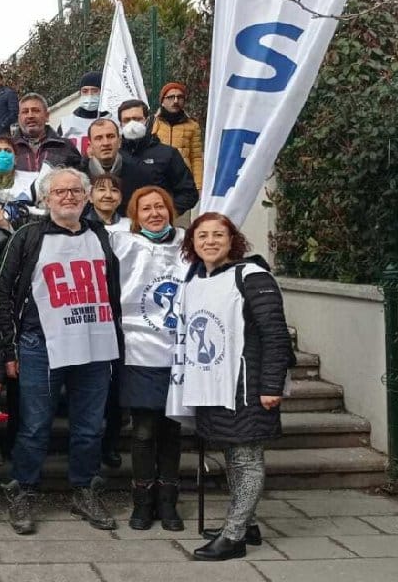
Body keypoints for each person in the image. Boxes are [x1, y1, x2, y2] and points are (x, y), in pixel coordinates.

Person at [0, 168, 123, 535]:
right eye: (60, 192)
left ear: (87, 197)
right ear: (46, 199)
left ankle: (83, 488)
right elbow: (0, 293)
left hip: (95, 345)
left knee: (90, 427)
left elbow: (113, 291)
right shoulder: (27, 237)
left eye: (75, 191)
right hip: (39, 344)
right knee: (34, 425)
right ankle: (24, 490)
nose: (68, 197)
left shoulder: (101, 235)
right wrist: (7, 350)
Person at [180, 212, 292, 561]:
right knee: (233, 454)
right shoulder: (198, 278)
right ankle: (248, 524)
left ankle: (233, 536)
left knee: (246, 458)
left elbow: (275, 335)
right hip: (216, 385)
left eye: (218, 235)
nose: (210, 241)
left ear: (233, 240)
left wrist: (271, 385)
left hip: (248, 385)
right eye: (202, 236)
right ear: (192, 243)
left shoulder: (253, 277)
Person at [111, 186, 185, 533]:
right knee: (143, 430)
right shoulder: (122, 241)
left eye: (160, 207)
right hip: (140, 348)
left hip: (180, 350)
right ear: (135, 216)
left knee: (171, 428)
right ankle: (142, 500)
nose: (154, 213)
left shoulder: (187, 242)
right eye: (146, 209)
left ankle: (168, 500)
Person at [117, 100, 199, 214]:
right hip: (121, 223)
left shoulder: (168, 154)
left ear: (147, 120)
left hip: (158, 223)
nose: (132, 124)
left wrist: (165, 212)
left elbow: (188, 193)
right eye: (126, 120)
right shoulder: (114, 155)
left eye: (137, 119)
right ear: (120, 124)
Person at [152, 82, 204, 191]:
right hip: (157, 182)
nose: (175, 101)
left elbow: (196, 158)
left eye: (180, 97)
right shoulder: (152, 123)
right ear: (162, 101)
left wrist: (198, 185)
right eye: (171, 97)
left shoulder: (193, 126)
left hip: (183, 183)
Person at [11, 93, 82, 172]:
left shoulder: (65, 146)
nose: (30, 116)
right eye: (25, 112)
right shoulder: (8, 149)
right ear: (19, 118)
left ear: (47, 116)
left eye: (35, 111)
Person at [57, 71, 110, 154]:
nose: (89, 95)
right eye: (85, 91)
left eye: (95, 91)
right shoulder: (66, 124)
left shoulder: (114, 119)